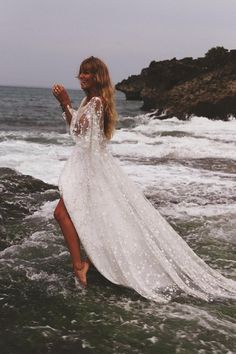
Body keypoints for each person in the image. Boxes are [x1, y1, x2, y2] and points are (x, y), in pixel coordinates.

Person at [52, 56, 236, 303]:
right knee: (89, 216)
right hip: (87, 165)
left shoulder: (96, 101)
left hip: (90, 168)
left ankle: (79, 265)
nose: (82, 76)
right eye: (81, 72)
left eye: (88, 73)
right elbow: (79, 132)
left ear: (97, 77)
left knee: (62, 214)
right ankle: (92, 262)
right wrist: (68, 107)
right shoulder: (90, 100)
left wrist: (65, 103)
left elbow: (78, 131)